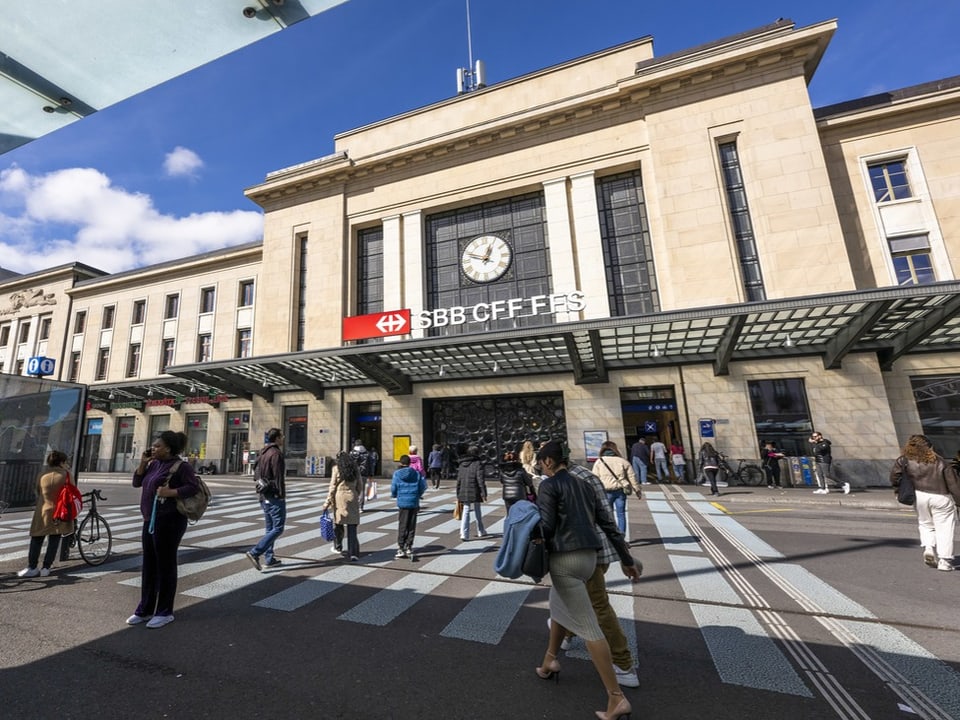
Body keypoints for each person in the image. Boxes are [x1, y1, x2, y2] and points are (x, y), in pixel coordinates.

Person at [534, 440, 641, 720]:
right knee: (559, 607)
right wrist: (627, 560)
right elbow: (607, 523)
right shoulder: (585, 482)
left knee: (591, 623)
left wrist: (528, 538)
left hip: (566, 559)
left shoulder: (549, 485)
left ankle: (617, 695)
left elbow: (547, 525)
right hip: (591, 555)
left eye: (540, 461)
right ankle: (549, 661)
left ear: (548, 461)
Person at [566, 456, 643, 688]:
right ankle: (564, 635)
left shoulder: (565, 481)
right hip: (600, 549)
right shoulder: (587, 475)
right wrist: (624, 555)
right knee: (573, 598)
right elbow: (607, 519)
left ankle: (623, 663)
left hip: (586, 551)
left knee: (598, 605)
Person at [129, 431, 200, 628]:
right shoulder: (154, 464)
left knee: (165, 565)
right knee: (149, 564)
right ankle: (145, 608)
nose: (154, 448)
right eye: (153, 445)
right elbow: (136, 483)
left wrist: (171, 492)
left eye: (158, 446)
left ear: (168, 448)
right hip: (149, 520)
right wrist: (143, 463)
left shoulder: (181, 466)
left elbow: (192, 487)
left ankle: (165, 611)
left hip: (170, 520)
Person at [890, 435, 960, 572]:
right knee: (944, 527)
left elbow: (894, 476)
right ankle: (944, 561)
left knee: (925, 524)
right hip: (941, 497)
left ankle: (929, 548)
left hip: (919, 495)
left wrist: (898, 490)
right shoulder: (940, 462)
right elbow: (954, 485)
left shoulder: (904, 460)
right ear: (929, 446)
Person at [17, 450, 73, 578]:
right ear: (62, 462)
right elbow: (72, 492)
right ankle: (46, 567)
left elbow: (37, 490)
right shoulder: (67, 475)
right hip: (59, 512)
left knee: (37, 539)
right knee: (54, 539)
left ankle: (32, 567)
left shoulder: (42, 475)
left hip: (42, 510)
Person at [246, 428, 286, 571]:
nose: (283, 438)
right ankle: (255, 552)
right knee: (278, 528)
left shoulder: (262, 452)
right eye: (282, 436)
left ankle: (269, 558)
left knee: (270, 528)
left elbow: (256, 476)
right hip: (274, 495)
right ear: (277, 438)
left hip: (264, 495)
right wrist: (280, 495)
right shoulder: (276, 454)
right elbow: (278, 477)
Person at [591, 441, 641, 534]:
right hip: (620, 490)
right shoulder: (622, 461)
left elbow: (594, 478)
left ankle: (612, 536)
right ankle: (622, 537)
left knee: (608, 515)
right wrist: (637, 490)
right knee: (621, 514)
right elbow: (632, 476)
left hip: (605, 491)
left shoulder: (599, 461)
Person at [323, 450, 364, 561]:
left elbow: (332, 487)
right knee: (352, 525)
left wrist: (327, 502)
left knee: (338, 524)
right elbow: (360, 485)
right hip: (352, 496)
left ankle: (338, 546)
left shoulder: (336, 469)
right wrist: (356, 493)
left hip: (339, 497)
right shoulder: (355, 468)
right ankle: (353, 552)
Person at [391, 454, 427, 560]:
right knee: (411, 525)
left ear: (401, 463)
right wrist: (418, 494)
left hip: (402, 502)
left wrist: (394, 495)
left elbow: (394, 487)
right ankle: (409, 546)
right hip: (414, 502)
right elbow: (422, 486)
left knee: (402, 525)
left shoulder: (397, 474)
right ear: (409, 463)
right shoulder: (416, 473)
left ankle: (401, 547)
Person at [456, 445, 488, 540]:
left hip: (463, 489)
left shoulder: (461, 464)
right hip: (475, 489)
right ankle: (480, 530)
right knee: (477, 509)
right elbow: (480, 480)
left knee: (466, 510)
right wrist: (484, 492)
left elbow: (459, 479)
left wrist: (457, 492)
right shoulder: (478, 463)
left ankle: (464, 533)